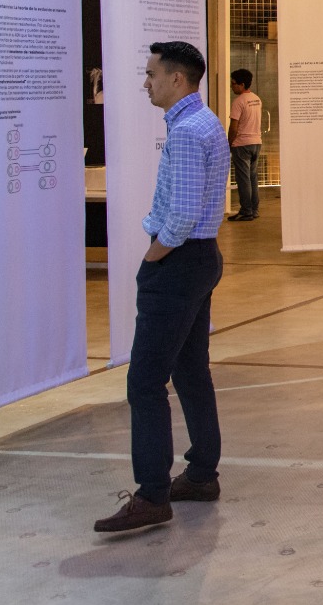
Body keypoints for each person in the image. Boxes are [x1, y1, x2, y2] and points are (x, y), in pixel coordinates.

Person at [95, 41, 232, 533]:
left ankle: (152, 495)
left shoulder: (188, 132)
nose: (145, 82)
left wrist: (152, 259)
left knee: (145, 382)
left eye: (151, 74)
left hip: (178, 262)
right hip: (198, 259)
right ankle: (200, 474)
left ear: (177, 79)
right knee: (192, 370)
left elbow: (180, 217)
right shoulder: (203, 123)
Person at [226, 68, 261, 221]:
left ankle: (246, 211)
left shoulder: (238, 102)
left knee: (243, 179)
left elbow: (234, 126)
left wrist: (229, 143)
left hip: (242, 144)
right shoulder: (257, 99)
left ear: (241, 84)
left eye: (233, 84)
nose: (231, 86)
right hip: (256, 142)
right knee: (253, 178)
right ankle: (254, 209)